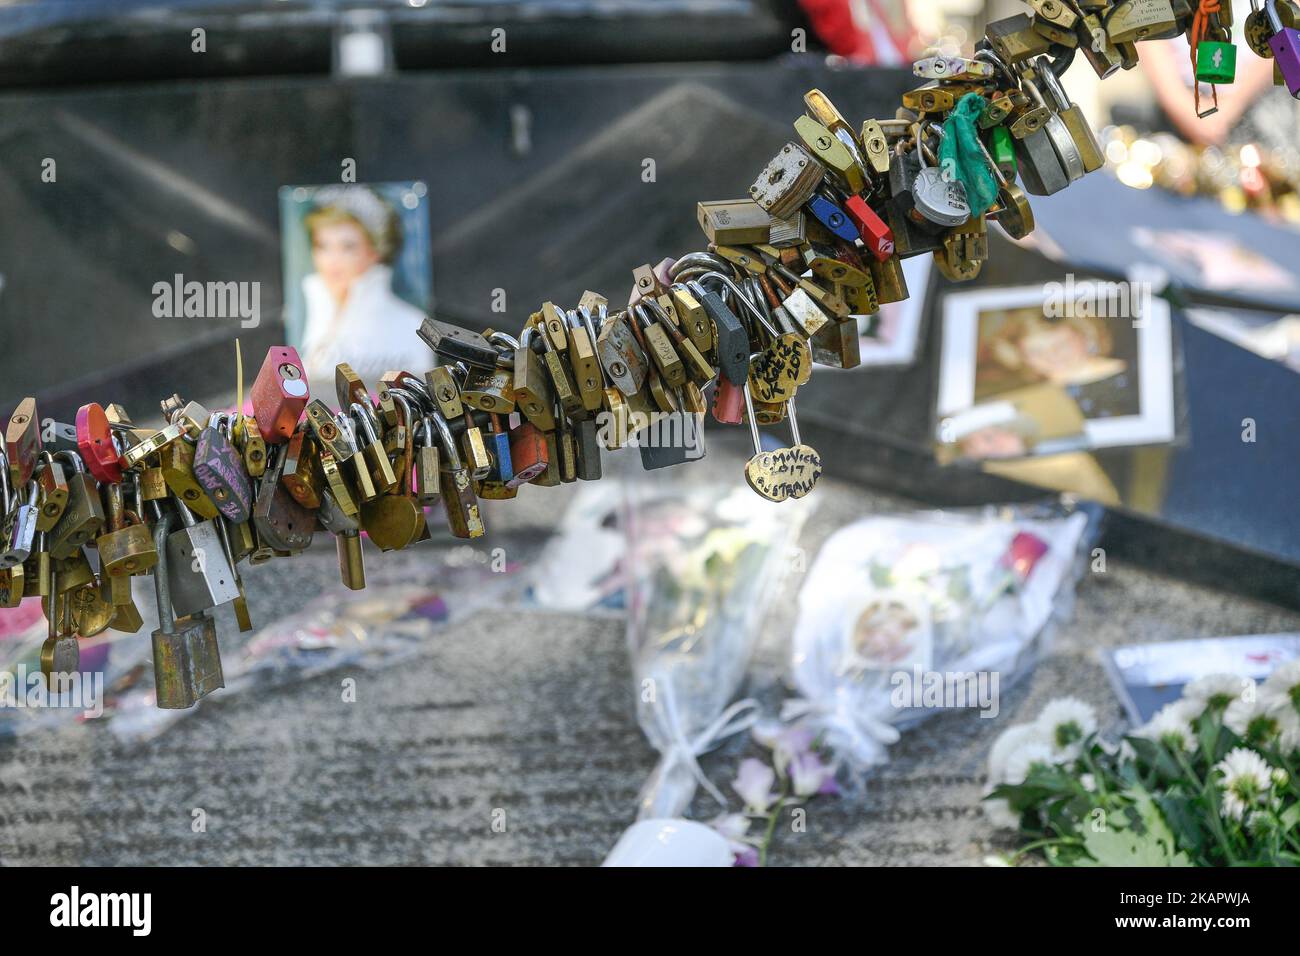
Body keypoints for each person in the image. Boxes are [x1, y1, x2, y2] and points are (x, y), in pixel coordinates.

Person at [297, 186, 429, 386]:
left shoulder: (414, 325)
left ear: (375, 251)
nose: (332, 260)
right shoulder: (313, 310)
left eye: (348, 247)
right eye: (322, 246)